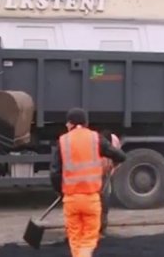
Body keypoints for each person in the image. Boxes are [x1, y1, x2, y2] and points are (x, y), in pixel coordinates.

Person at [49, 108, 126, 257]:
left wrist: (60, 190)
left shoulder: (63, 140)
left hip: (71, 199)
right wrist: (111, 165)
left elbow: (54, 173)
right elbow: (121, 156)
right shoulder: (96, 138)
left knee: (75, 238)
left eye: (67, 123)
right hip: (91, 199)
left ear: (70, 124)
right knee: (89, 240)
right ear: (86, 123)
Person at [99, 129, 122, 235]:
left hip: (106, 173)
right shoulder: (95, 143)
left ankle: (103, 227)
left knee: (105, 199)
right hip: (94, 175)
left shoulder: (115, 140)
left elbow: (119, 157)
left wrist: (112, 170)